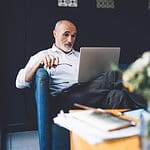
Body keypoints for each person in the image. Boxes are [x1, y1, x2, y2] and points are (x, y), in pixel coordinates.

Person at [16, 19, 147, 150]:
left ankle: (127, 141)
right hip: (65, 100)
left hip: (89, 94)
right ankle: (147, 106)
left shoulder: (80, 56)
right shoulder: (43, 55)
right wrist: (38, 64)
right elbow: (20, 82)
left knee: (117, 96)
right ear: (55, 33)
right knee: (113, 75)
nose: (70, 40)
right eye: (66, 34)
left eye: (73, 36)